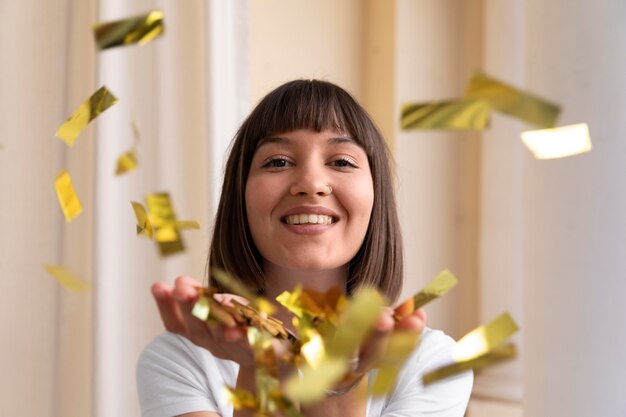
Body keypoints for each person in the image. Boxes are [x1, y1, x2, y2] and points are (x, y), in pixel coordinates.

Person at [136, 79, 473, 417]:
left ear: (376, 198)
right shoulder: (177, 359)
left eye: (341, 161)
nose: (311, 184)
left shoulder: (432, 362)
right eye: (278, 162)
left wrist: (336, 381)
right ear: (240, 198)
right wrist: (264, 364)